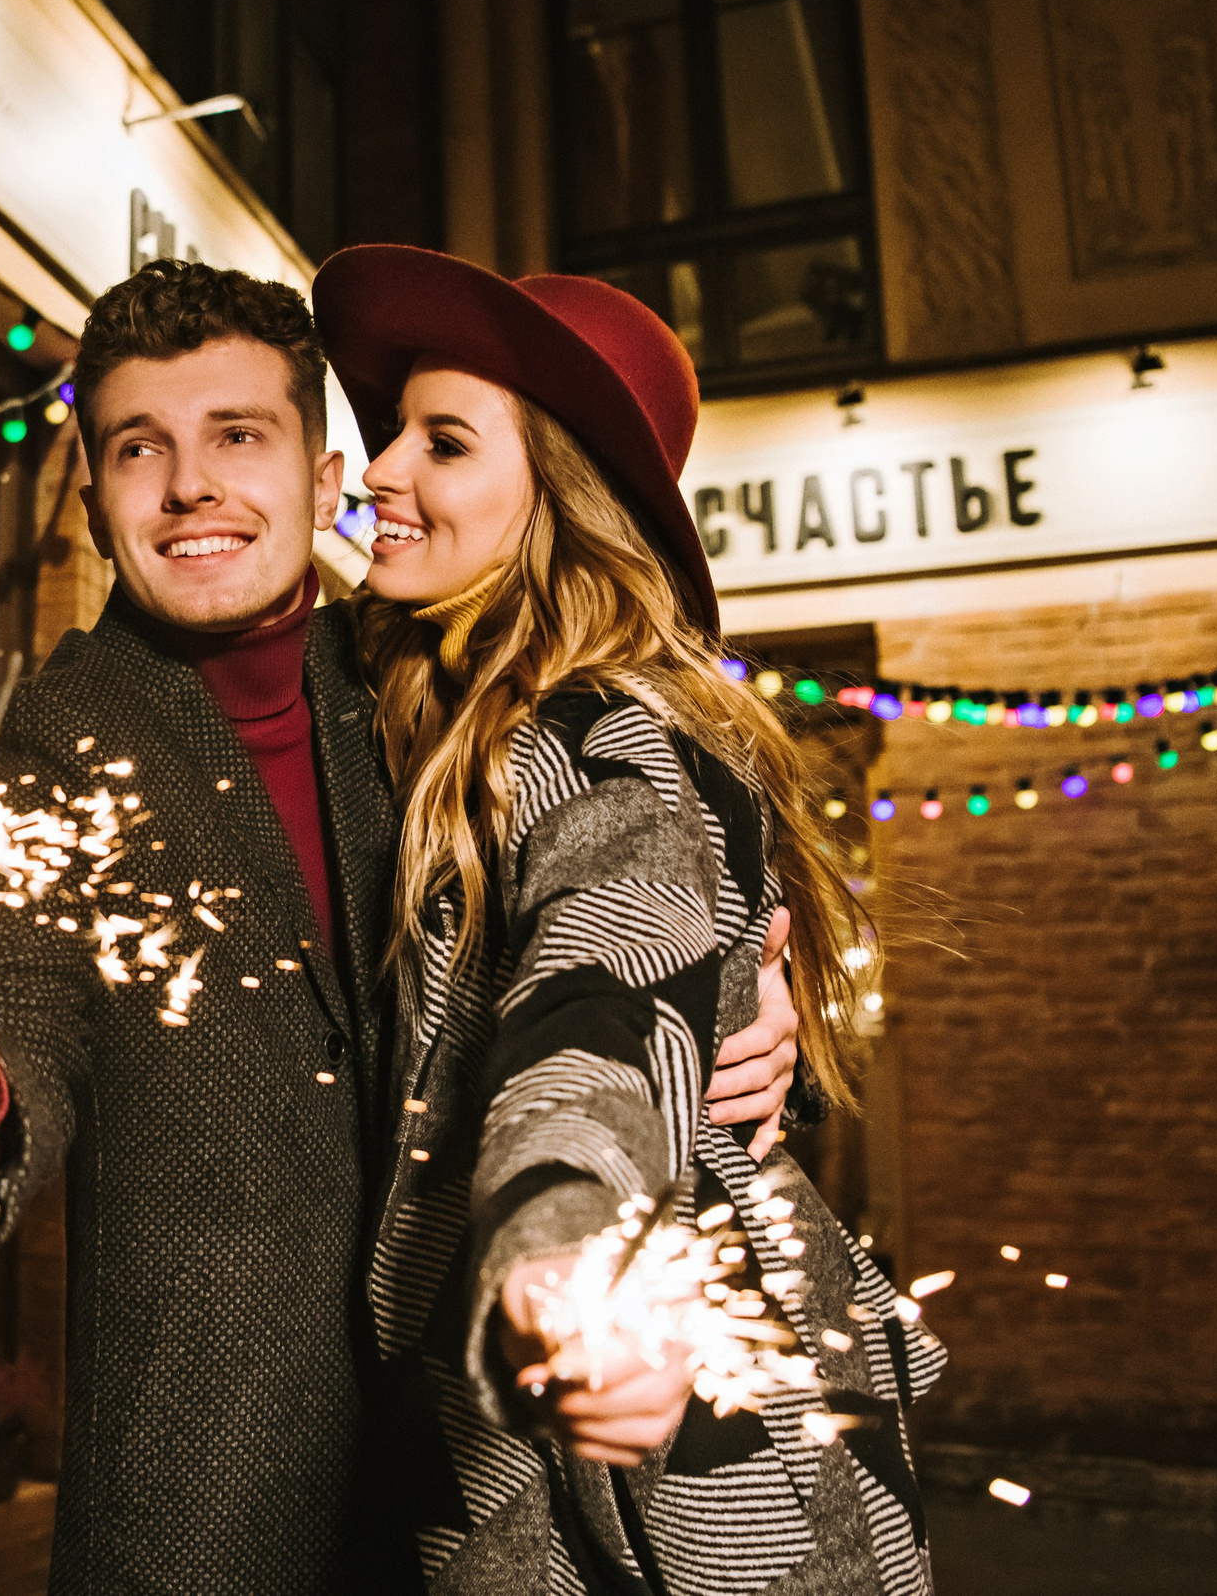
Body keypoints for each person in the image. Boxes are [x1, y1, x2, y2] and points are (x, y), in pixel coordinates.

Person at [0, 261, 804, 1593]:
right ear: (91, 500)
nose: (190, 484)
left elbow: (618, 930)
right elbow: (6, 1068)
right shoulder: (57, 734)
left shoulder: (446, 672)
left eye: (237, 437)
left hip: (494, 1470)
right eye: (139, 448)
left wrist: (751, 1031)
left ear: (328, 482)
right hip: (201, 1491)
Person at [314, 244, 943, 1593]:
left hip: (665, 1462)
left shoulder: (600, 739)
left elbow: (599, 997)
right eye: (390, 436)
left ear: (561, 499)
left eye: (444, 441)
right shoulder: (460, 717)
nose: (378, 472)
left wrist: (565, 1260)